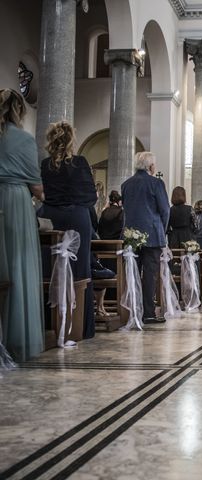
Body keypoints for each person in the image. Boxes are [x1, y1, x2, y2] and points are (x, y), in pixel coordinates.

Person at [39, 121, 97, 339]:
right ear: (72, 139)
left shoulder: (45, 164)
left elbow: (42, 193)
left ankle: (50, 322)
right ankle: (80, 327)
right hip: (77, 218)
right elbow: (91, 196)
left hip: (51, 216)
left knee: (50, 267)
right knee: (80, 269)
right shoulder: (80, 163)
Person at [0, 88, 44, 361]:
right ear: (19, 110)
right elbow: (37, 186)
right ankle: (15, 336)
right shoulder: (23, 139)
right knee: (17, 265)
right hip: (15, 201)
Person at [121, 152, 170, 324]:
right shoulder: (156, 183)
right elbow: (165, 210)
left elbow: (126, 210)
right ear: (151, 167)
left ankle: (132, 310)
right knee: (149, 275)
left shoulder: (126, 184)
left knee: (132, 273)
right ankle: (148, 313)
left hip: (131, 236)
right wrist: (161, 231)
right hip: (152, 236)